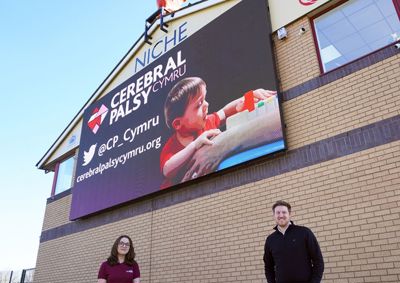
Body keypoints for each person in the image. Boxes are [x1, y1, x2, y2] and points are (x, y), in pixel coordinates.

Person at [160, 76, 276, 188]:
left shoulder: (207, 122)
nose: (206, 104)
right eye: (199, 104)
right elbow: (167, 170)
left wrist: (247, 99)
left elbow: (224, 112)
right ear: (178, 124)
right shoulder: (171, 145)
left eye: (204, 99)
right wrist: (195, 145)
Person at [263, 201, 324, 283]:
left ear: (289, 214)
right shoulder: (270, 240)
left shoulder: (304, 233)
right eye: (278, 213)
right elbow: (268, 267)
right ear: (274, 215)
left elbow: (318, 261)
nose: (281, 215)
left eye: (284, 212)